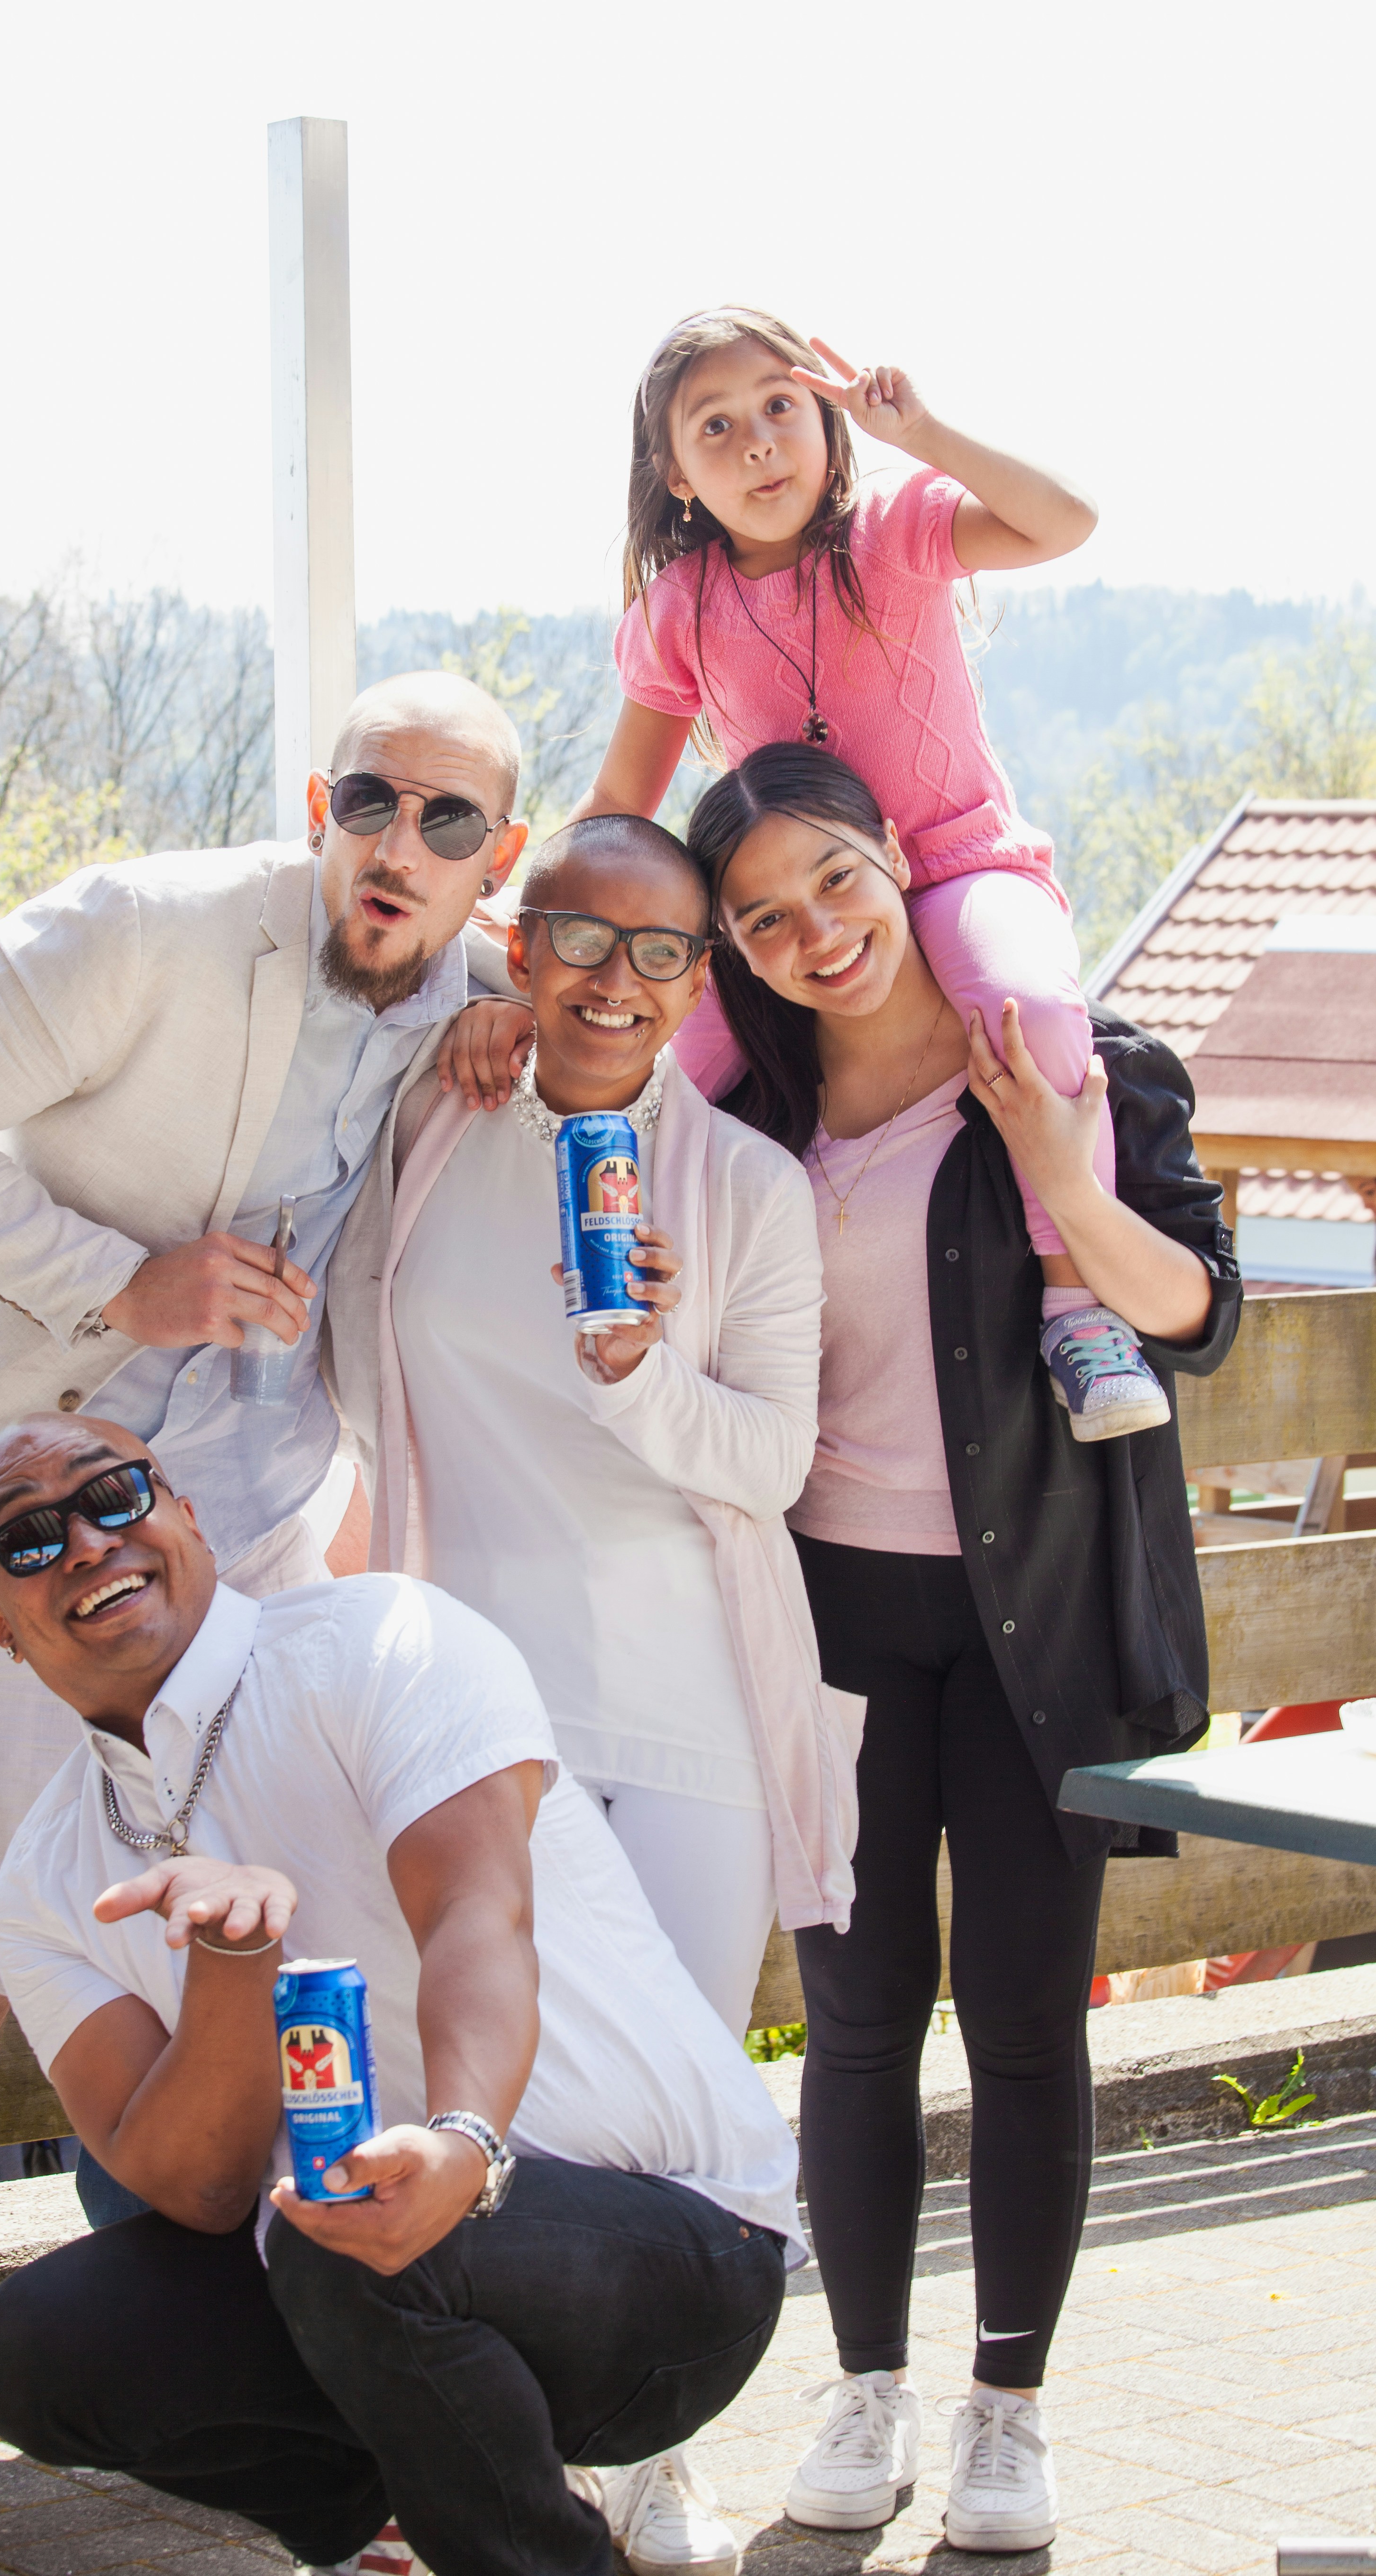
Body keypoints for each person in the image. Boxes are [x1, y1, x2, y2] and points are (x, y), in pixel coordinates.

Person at [0, 673, 529, 2570]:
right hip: (19, 1493)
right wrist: (120, 1279)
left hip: (252, 1534)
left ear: (493, 861)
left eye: (452, 824)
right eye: (374, 802)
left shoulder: (481, 998)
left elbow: (603, 1002)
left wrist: (514, 1031)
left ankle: (330, 2417)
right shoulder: (145, 930)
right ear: (321, 800)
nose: (403, 846)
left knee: (284, 1952)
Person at [682, 743, 1240, 2553]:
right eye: (762, 917)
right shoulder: (748, 1115)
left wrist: (1056, 1172)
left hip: (1037, 1623)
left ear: (896, 858)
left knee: (1018, 2013)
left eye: (834, 880)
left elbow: (1190, 1318)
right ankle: (864, 2387)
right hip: (831, 1616)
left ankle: (1009, 2407)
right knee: (851, 2020)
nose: (813, 933)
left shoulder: (1082, 1056)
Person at [0, 1411, 802, 2576]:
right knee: (41, 2350)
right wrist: (233, 1967)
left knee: (347, 2237)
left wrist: (462, 2143)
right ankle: (400, 2505)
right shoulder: (46, 1880)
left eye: (113, 1496)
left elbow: (476, 1914)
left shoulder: (381, 1638)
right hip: (361, 2275)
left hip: (673, 2243)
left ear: (185, 1515)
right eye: (30, 1539)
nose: (89, 1544)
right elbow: (194, 2189)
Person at [574, 304, 1168, 1444]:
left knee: (1033, 1010)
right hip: (795, 907)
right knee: (676, 1083)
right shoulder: (682, 611)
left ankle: (1078, 1311)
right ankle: (658, 1317)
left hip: (949, 861)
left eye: (780, 409)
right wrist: (548, 921)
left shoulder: (892, 532)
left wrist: (926, 429)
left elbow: (1066, 522)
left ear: (827, 420)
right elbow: (620, 809)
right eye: (718, 427)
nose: (758, 443)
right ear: (676, 474)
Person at [350, 811, 857, 2034]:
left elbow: (776, 1465)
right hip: (479, 1716)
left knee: (687, 2107)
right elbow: (365, 958)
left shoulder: (749, 1186)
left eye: (660, 952)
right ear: (518, 952)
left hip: (693, 1722)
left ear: (699, 980)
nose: (616, 979)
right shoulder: (422, 1124)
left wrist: (640, 1373)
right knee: (498, 2103)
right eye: (580, 937)